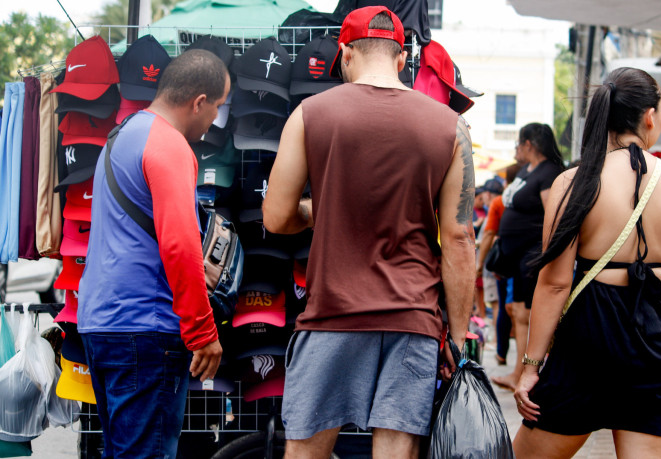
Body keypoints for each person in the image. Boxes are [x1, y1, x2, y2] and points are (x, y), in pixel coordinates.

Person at [261, 6, 475, 459]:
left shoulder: (310, 114)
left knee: (305, 453)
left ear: (344, 54)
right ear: (401, 60)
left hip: (333, 314)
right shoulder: (451, 128)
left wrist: (318, 211)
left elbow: (276, 218)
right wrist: (458, 336)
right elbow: (459, 239)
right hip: (412, 318)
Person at [513, 67, 661, 458]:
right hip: (660, 340)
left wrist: (531, 365)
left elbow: (554, 283)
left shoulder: (574, 182)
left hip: (588, 337)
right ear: (650, 117)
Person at [77, 49, 228, 457]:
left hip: (101, 322)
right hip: (145, 327)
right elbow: (180, 245)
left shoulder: (122, 135)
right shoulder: (170, 145)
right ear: (199, 101)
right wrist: (203, 332)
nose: (216, 117)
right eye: (217, 106)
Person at [491, 123, 565, 391]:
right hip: (518, 256)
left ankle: (530, 373)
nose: (516, 150)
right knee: (519, 313)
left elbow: (553, 214)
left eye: (518, 144)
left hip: (533, 255)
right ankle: (518, 372)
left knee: (530, 314)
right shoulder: (526, 171)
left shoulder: (549, 173)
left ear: (529, 145)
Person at [476, 178, 508, 362]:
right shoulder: (507, 203)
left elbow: (489, 235)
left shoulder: (496, 205)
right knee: (499, 303)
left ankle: (497, 341)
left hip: (492, 263)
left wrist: (479, 265)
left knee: (496, 303)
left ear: (488, 194)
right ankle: (498, 342)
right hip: (504, 262)